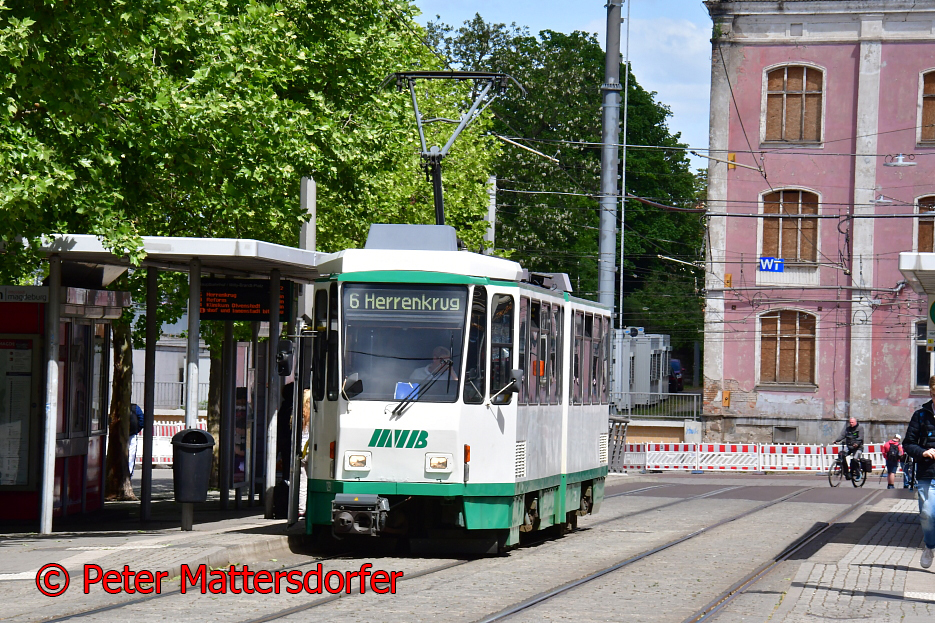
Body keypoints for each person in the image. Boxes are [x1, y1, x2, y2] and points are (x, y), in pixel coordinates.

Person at [904, 376, 935, 570]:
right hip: (927, 474)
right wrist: (923, 452)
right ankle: (930, 546)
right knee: (927, 514)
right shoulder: (921, 415)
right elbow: (908, 443)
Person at [127, 404, 144, 478]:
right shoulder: (135, 408)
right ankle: (129, 472)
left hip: (121, 435)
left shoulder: (119, 407)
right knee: (131, 454)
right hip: (132, 434)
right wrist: (136, 430)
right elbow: (142, 421)